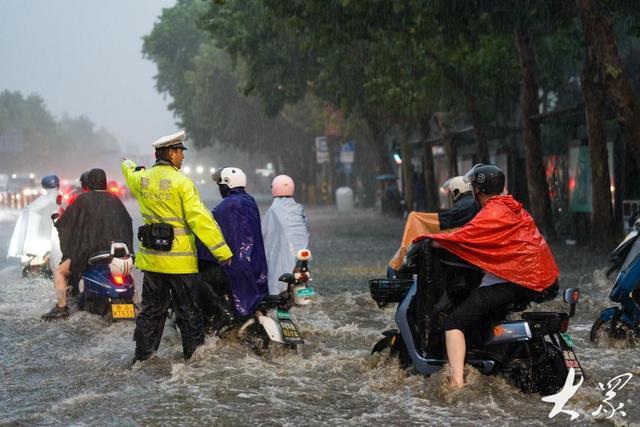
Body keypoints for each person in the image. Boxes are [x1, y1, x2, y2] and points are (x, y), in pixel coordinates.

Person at [415, 164, 559, 388]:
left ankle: (456, 383)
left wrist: (428, 240)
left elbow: (465, 237)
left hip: (513, 282)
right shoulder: (515, 209)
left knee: (453, 322)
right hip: (539, 281)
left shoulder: (491, 212)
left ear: (477, 190)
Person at [122, 130, 232, 361]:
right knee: (189, 312)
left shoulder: (142, 180)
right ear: (171, 153)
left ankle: (142, 358)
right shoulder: (182, 182)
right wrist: (222, 251)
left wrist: (129, 163)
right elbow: (200, 219)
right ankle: (193, 362)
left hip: (152, 262)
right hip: (180, 264)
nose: (183, 157)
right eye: (181, 152)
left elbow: (129, 172)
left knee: (151, 312)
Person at [42, 169, 133, 320]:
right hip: (113, 253)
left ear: (89, 182)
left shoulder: (82, 200)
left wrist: (60, 224)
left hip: (87, 252)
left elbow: (67, 222)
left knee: (59, 272)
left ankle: (61, 307)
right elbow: (126, 224)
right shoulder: (115, 200)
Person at [196, 167, 268, 325]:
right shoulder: (250, 201)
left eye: (219, 185)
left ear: (226, 185)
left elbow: (207, 232)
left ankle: (223, 316)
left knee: (199, 282)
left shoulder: (224, 207)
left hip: (235, 270)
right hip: (257, 271)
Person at [388, 175, 480, 273]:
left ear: (456, 191)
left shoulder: (465, 205)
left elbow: (447, 220)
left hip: (459, 253)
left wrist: (418, 218)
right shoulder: (472, 203)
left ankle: (401, 262)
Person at [262, 174, 310, 296]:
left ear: (274, 188)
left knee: (276, 284)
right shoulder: (298, 208)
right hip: (301, 257)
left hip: (283, 257)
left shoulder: (274, 210)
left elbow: (264, 234)